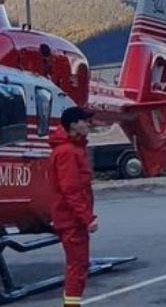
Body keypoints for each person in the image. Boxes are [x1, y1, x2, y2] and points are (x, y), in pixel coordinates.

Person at [48, 106, 99, 307]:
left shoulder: (72, 149)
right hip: (72, 220)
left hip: (71, 219)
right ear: (73, 125)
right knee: (77, 267)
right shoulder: (68, 152)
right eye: (84, 121)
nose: (88, 124)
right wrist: (87, 219)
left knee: (77, 266)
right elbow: (71, 190)